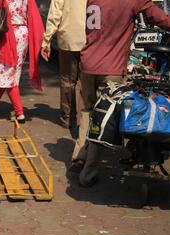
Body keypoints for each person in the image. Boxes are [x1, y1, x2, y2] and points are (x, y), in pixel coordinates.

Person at [70, 0, 169, 187]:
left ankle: (79, 156)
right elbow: (161, 19)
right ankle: (88, 173)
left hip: (88, 62)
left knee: (88, 111)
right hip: (111, 68)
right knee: (104, 118)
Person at [0, 0, 44, 122]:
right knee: (9, 72)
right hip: (23, 34)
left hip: (5, 33)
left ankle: (19, 112)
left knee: (9, 74)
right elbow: (33, 15)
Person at [41, 0, 87, 129]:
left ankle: (68, 118)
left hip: (68, 38)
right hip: (90, 40)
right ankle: (86, 120)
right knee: (88, 82)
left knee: (67, 80)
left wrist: (46, 39)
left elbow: (55, 14)